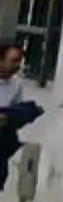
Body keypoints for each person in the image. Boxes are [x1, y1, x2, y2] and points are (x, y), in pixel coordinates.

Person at [0, 42, 44, 187]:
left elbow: (16, 114)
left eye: (19, 61)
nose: (17, 65)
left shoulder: (16, 84)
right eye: (13, 61)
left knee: (28, 109)